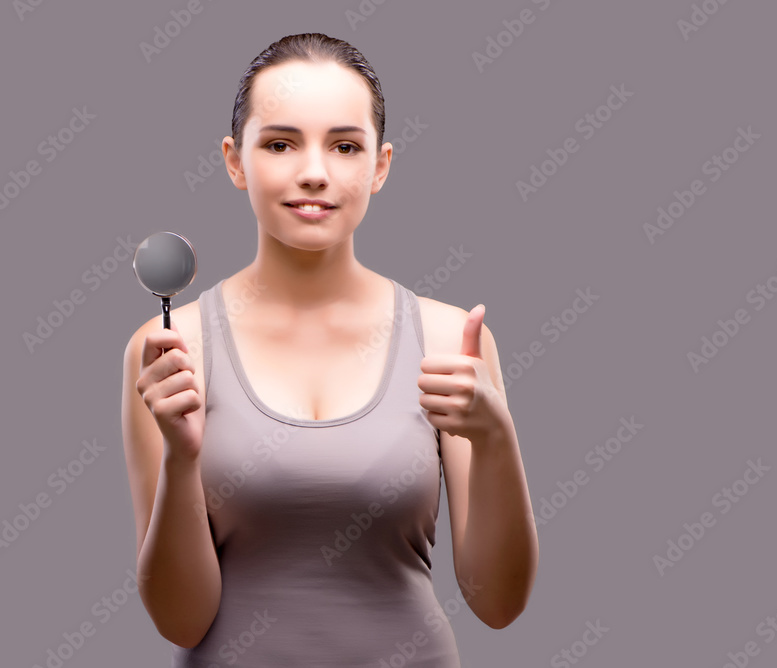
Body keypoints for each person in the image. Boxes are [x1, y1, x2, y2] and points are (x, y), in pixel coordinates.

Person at [122, 32, 539, 667]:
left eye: (345, 146)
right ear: (236, 162)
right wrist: (182, 459)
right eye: (281, 143)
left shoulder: (450, 341)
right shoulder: (171, 351)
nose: (314, 171)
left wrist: (497, 438)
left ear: (381, 165)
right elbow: (181, 621)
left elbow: (498, 605)